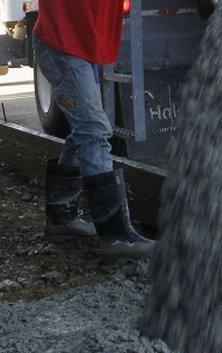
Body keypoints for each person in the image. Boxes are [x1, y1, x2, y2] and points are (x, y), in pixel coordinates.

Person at [33, 0, 153, 256]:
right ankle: (115, 235)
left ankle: (60, 217)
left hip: (77, 47)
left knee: (85, 131)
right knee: (95, 131)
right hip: (61, 46)